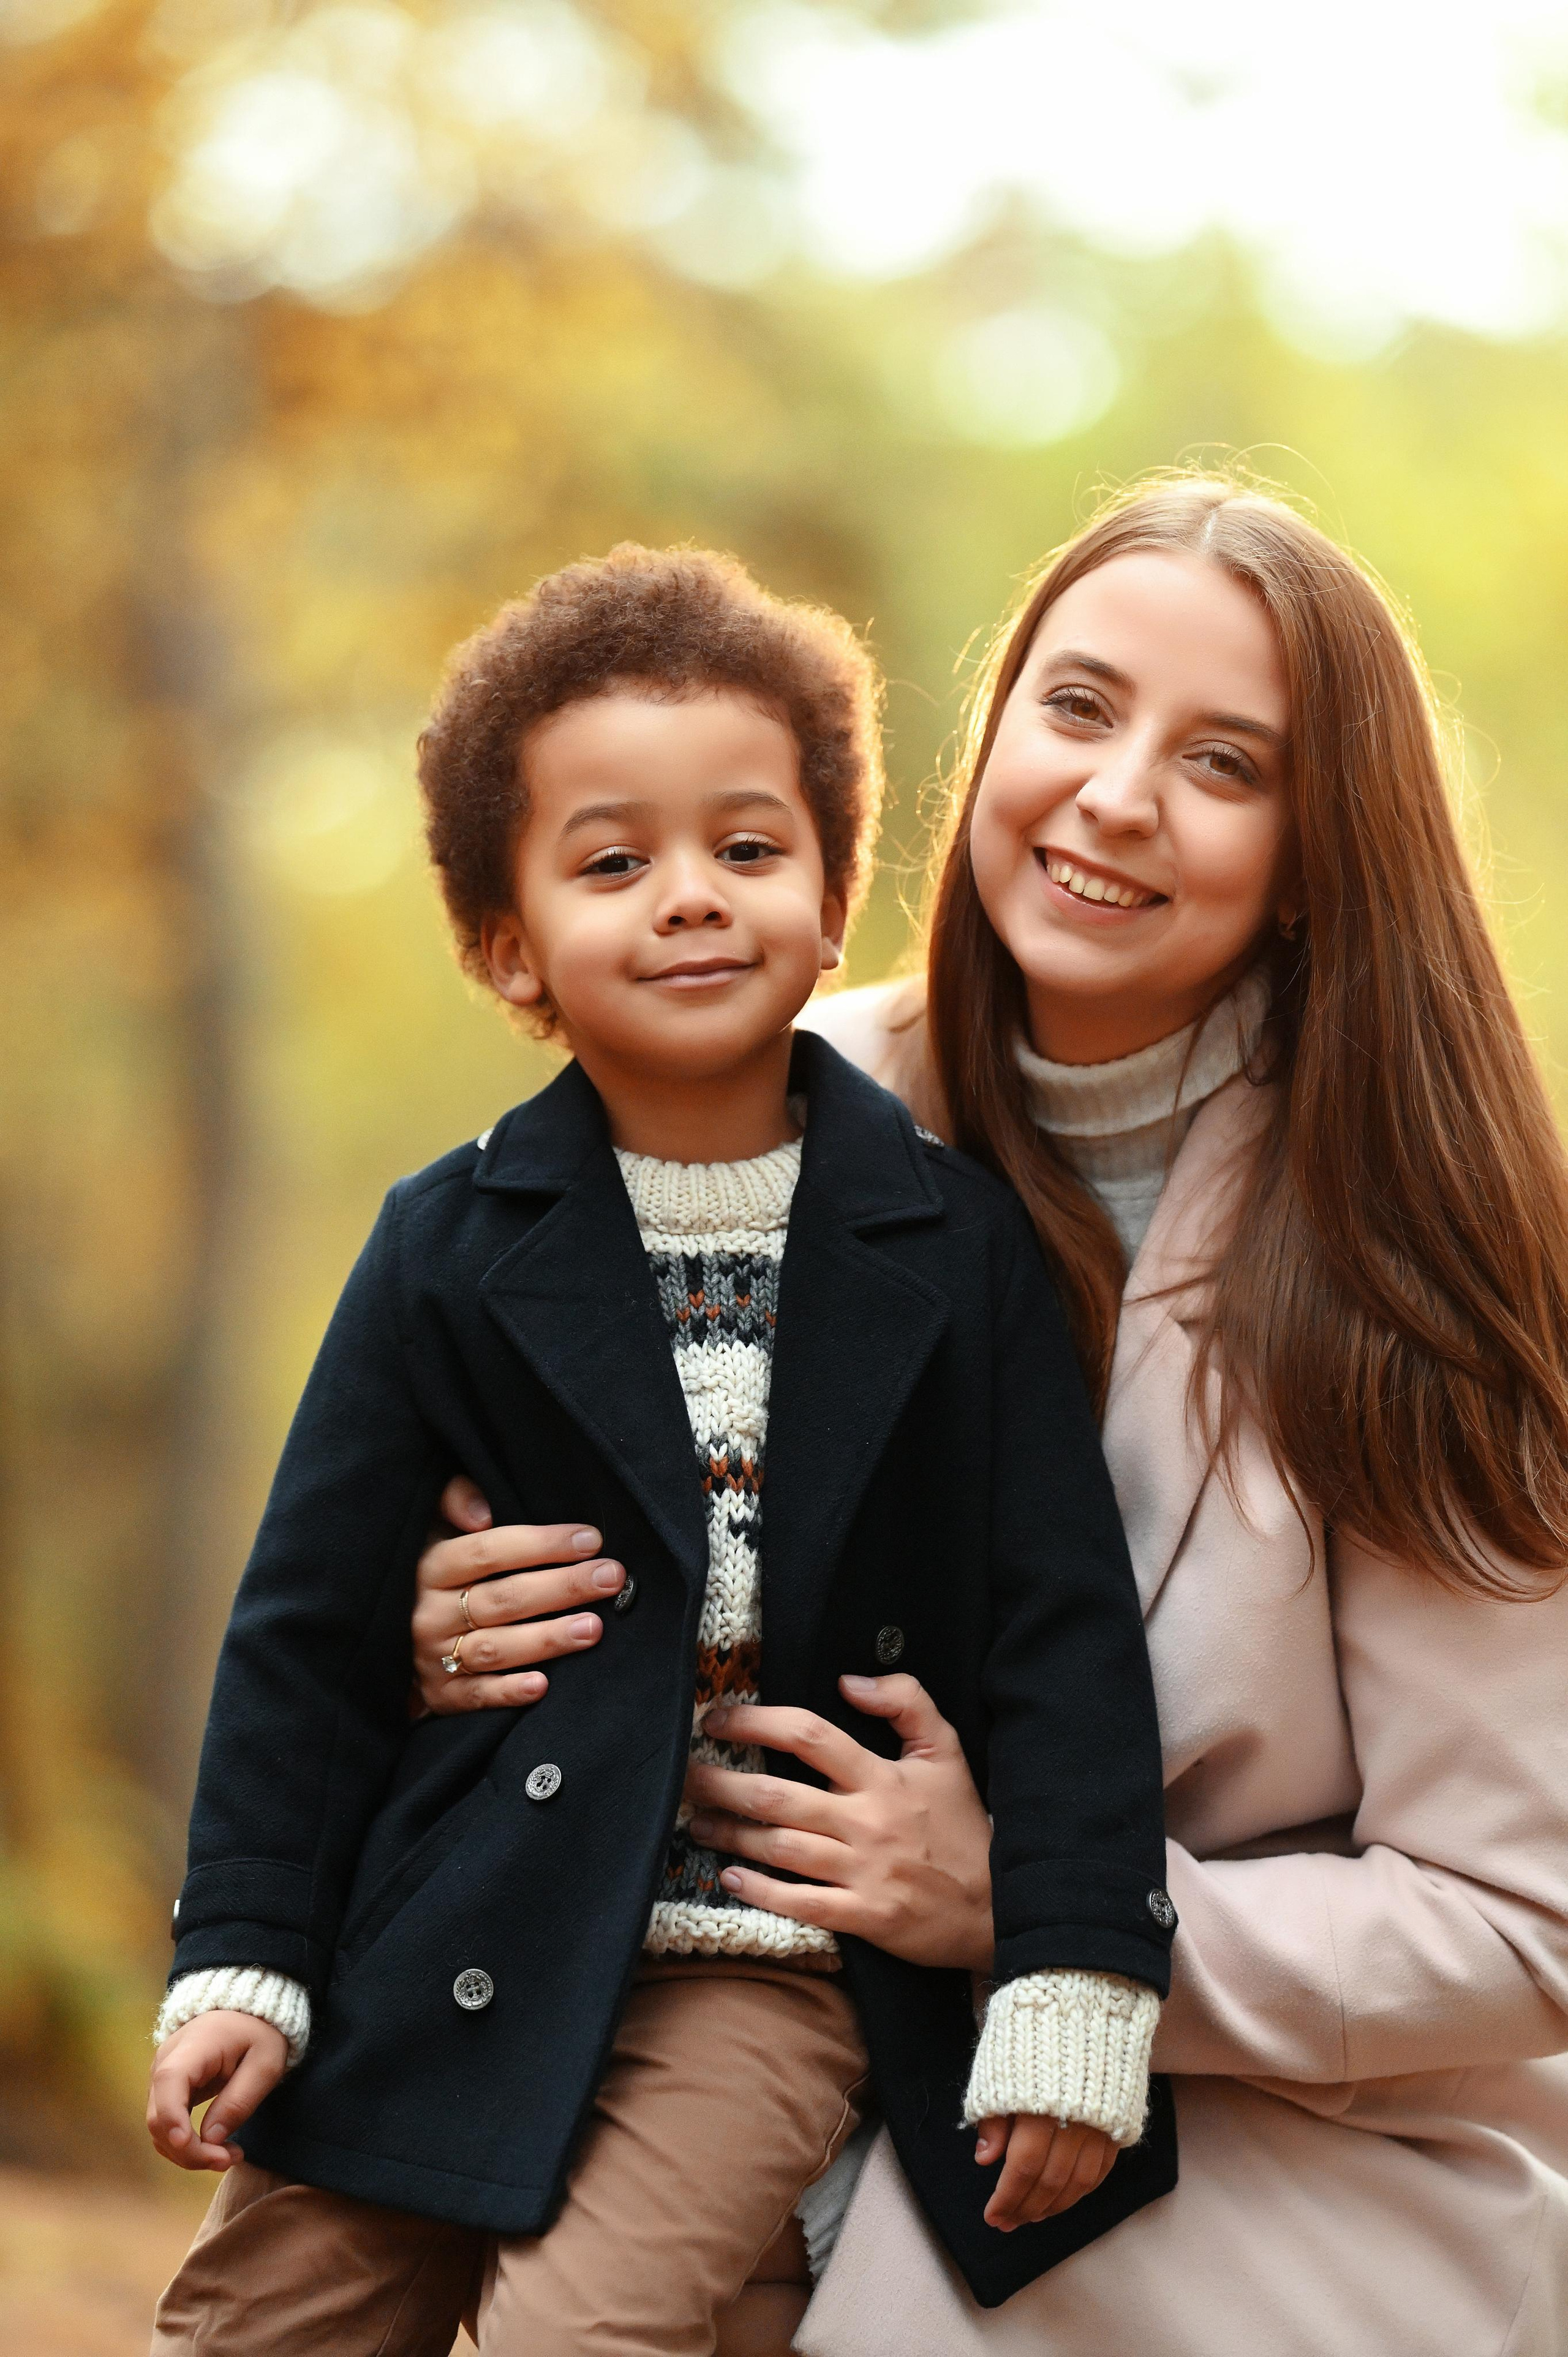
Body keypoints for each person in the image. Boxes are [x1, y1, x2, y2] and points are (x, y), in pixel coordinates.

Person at [409, 480, 1568, 2355]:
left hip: (1261, 2141)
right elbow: (523, 1508)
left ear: (1319, 853)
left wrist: (1041, 1908)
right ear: (996, 734)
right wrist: (448, 1633)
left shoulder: (1420, 1256)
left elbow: (1522, 1929)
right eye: (1082, 708)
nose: (1117, 798)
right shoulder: (762, 1098)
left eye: (1226, 761)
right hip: (744, 2024)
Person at [145, 543, 1177, 2356]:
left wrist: (1071, 1981)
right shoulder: (449, 1243)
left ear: (836, 889)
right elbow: (304, 1635)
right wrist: (248, 1956)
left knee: (583, 2337)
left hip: (766, 1963)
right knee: (259, 2326)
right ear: (505, 940)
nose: (690, 898)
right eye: (615, 862)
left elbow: (1066, 1641)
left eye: (749, 848)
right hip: (458, 1915)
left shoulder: (957, 1244)